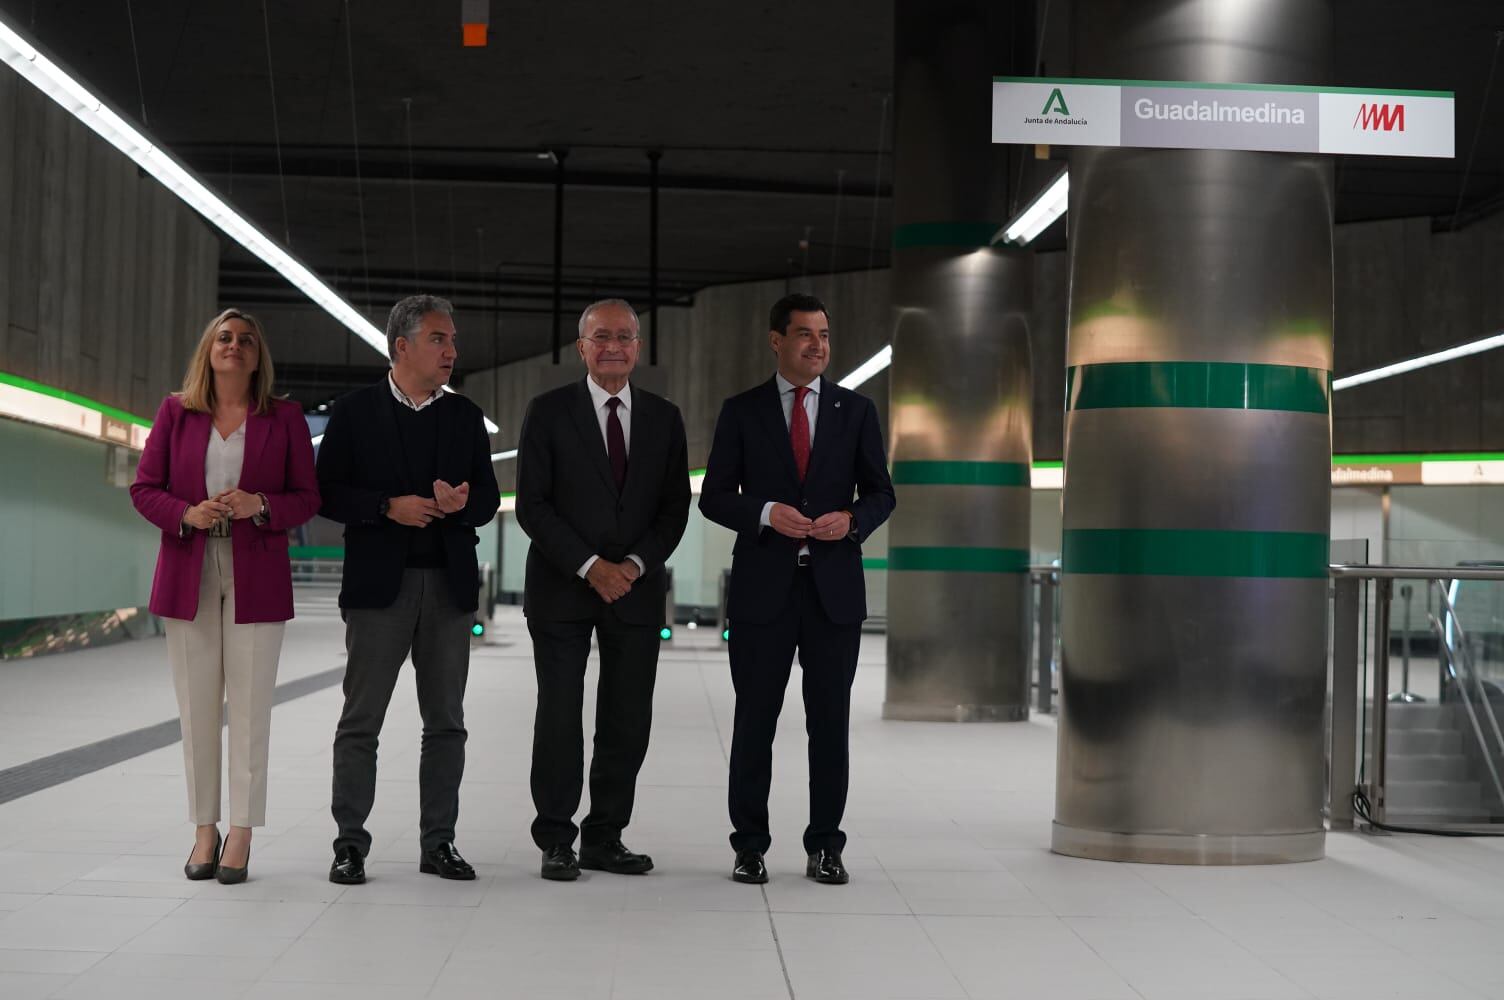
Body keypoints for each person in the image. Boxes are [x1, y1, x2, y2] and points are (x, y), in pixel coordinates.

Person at [699, 293, 895, 885]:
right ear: (776, 340)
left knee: (829, 723)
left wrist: (853, 521)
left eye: (825, 335)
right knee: (754, 720)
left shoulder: (856, 411)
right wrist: (763, 513)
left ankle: (825, 847)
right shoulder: (742, 411)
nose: (817, 345)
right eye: (805, 334)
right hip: (764, 590)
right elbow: (714, 497)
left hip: (833, 592)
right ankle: (749, 846)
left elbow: (882, 492)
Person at [130, 308, 320, 885]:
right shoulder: (175, 412)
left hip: (256, 571)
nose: (234, 346)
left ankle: (241, 830)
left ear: (258, 355)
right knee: (197, 709)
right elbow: (144, 489)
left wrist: (259, 505)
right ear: (208, 350)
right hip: (190, 566)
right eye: (224, 338)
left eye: (245, 340)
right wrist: (186, 512)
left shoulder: (283, 417)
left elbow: (307, 496)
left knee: (252, 708)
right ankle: (203, 829)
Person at [316, 294, 500, 885]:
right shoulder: (354, 412)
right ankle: (350, 844)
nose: (452, 350)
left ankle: (438, 843)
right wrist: (384, 507)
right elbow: (326, 493)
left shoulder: (465, 418)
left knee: (446, 720)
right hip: (378, 589)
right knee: (361, 720)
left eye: (452, 340)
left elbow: (490, 501)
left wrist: (462, 503)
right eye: (439, 339)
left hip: (448, 587)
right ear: (403, 345)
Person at [515, 298, 690, 881]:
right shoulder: (547, 411)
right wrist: (591, 565)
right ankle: (557, 838)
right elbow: (533, 505)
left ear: (638, 346)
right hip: (563, 588)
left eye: (625, 336)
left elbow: (672, 508)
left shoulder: (666, 418)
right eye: (601, 337)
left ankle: (606, 835)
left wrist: (634, 566)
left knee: (626, 716)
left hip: (636, 593)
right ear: (581, 348)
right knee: (560, 714)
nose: (613, 346)